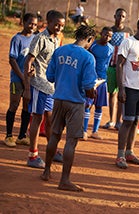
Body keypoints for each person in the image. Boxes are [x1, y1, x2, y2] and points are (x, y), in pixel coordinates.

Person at [40, 25, 97, 192]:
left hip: (58, 99)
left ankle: (46, 171)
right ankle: (64, 180)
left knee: (54, 136)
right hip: (76, 103)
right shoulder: (88, 57)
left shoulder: (60, 51)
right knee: (71, 141)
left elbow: (50, 76)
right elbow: (88, 85)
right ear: (89, 40)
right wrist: (92, 93)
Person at [23, 10, 65, 168]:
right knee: (37, 118)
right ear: (49, 22)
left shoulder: (56, 39)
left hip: (50, 86)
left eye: (62, 26)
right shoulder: (40, 38)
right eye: (57, 25)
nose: (59, 28)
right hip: (38, 84)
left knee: (50, 119)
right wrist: (27, 88)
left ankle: (52, 150)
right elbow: (28, 61)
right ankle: (32, 155)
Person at [114, 17, 139, 168]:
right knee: (128, 121)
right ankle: (120, 155)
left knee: (137, 122)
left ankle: (129, 152)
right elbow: (119, 64)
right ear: (138, 27)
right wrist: (121, 88)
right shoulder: (128, 42)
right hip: (130, 88)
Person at [4, 13, 38, 147]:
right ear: (23, 22)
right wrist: (22, 77)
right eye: (30, 23)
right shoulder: (17, 39)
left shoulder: (36, 38)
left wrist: (33, 71)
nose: (32, 26)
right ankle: (9, 135)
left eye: (35, 24)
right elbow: (12, 60)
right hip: (17, 78)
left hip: (30, 80)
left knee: (27, 105)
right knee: (14, 104)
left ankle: (22, 135)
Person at [102, 8, 134, 130]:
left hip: (124, 67)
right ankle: (111, 119)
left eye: (123, 16)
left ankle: (118, 121)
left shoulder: (129, 31)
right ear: (114, 16)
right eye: (119, 15)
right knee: (112, 93)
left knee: (121, 94)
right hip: (111, 65)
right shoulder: (110, 31)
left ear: (125, 18)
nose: (120, 18)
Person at [82, 27, 114, 140]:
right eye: (106, 35)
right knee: (88, 105)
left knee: (99, 106)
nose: (107, 37)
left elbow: (108, 63)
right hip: (91, 79)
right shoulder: (93, 45)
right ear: (101, 34)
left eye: (110, 36)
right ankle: (84, 130)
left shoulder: (111, 49)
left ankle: (95, 131)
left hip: (102, 80)